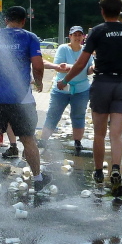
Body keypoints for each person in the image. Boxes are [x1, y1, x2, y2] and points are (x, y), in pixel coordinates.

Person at [58, 0, 122, 197]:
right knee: (116, 134)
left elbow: (81, 63)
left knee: (99, 134)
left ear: (102, 11)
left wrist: (65, 81)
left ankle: (99, 172)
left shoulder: (97, 32)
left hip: (102, 85)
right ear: (120, 11)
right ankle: (115, 169)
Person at [0, 6, 50, 196]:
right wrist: (39, 82)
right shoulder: (30, 37)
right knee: (28, 139)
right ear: (24, 21)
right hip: (21, 100)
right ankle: (38, 180)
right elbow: (38, 65)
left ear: (5, 20)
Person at [40, 25, 94, 153]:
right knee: (53, 114)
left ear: (83, 37)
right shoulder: (63, 48)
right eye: (74, 35)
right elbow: (60, 67)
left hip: (81, 89)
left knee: (78, 116)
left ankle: (77, 142)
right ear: (70, 36)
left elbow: (88, 70)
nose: (77, 37)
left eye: (79, 35)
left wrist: (93, 68)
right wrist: (75, 67)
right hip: (61, 88)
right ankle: (43, 140)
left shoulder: (86, 50)